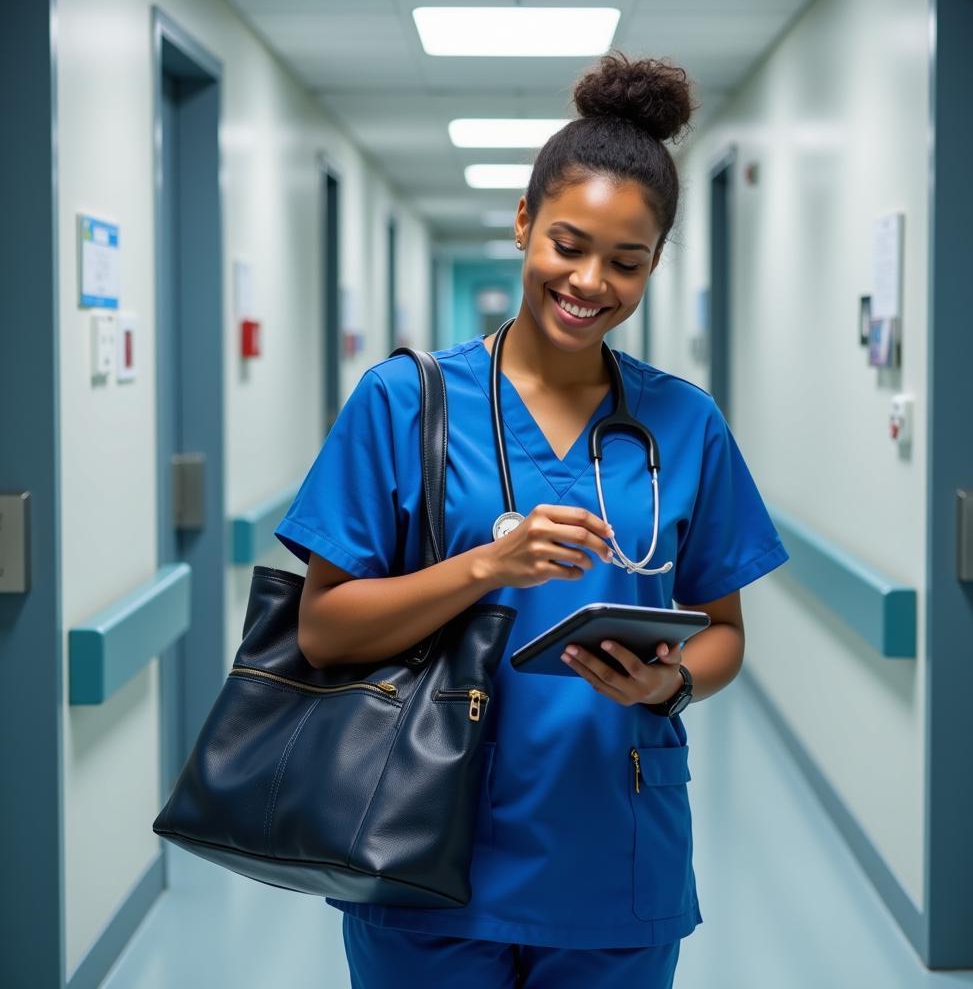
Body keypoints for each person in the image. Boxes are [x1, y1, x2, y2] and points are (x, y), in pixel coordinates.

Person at [275, 51, 789, 989]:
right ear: (523, 224)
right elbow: (322, 627)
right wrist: (485, 567)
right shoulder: (403, 402)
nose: (591, 281)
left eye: (626, 262)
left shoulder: (685, 423)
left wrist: (664, 689)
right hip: (421, 844)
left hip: (613, 849)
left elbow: (722, 636)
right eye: (567, 244)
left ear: (654, 265)